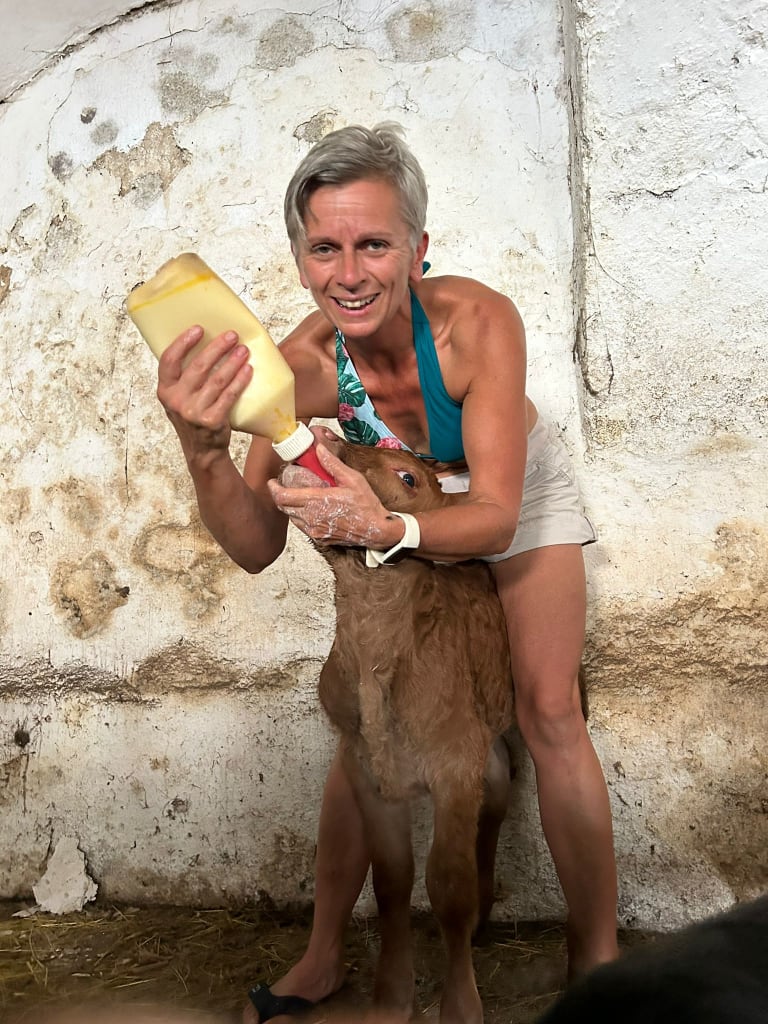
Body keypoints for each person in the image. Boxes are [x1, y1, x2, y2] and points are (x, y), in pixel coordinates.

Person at [155, 123, 619, 1024]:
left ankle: (599, 962)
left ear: (417, 248)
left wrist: (387, 525)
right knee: (366, 729)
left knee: (549, 708)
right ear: (300, 260)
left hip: (504, 487)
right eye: (324, 248)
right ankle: (324, 956)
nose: (350, 272)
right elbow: (254, 545)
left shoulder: (475, 324)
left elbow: (494, 515)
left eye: (373, 243)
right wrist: (203, 452)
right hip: (399, 497)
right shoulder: (296, 368)